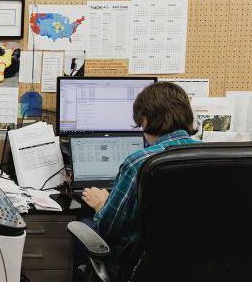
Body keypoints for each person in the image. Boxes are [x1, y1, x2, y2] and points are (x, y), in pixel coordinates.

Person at [78, 82, 199, 274]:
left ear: (144, 119)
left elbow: (109, 229)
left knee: (85, 224)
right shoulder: (213, 154)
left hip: (142, 266)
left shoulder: (139, 162)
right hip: (198, 264)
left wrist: (102, 205)